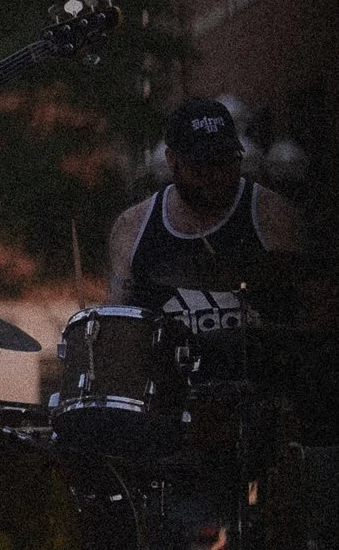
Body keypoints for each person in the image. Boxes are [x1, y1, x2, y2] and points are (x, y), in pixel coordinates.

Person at [107, 97, 305, 379]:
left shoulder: (271, 215)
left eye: (226, 163)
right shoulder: (132, 227)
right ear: (171, 161)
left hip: (256, 396)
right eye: (201, 166)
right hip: (169, 403)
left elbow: (309, 317)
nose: (216, 176)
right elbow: (119, 333)